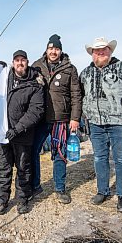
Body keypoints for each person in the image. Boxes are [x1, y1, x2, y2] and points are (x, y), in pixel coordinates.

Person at [80, 37, 122, 213]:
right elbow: (79, 96)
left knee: (121, 160)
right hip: (95, 124)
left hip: (119, 123)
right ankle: (103, 191)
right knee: (99, 159)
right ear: (92, 53)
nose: (100, 52)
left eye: (104, 49)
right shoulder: (85, 73)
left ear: (110, 51)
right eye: (97, 50)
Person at [30, 34, 82, 204]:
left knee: (60, 154)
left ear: (60, 51)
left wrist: (75, 118)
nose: (53, 52)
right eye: (51, 48)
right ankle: (35, 186)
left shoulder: (69, 68)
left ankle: (60, 188)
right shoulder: (36, 66)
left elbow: (76, 95)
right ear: (46, 49)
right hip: (40, 118)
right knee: (33, 152)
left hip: (61, 119)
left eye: (56, 49)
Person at [0, 50, 45, 215]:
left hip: (23, 134)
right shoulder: (5, 78)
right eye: (17, 60)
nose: (20, 63)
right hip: (3, 134)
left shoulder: (35, 84)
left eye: (23, 60)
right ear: (13, 63)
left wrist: (17, 129)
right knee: (4, 168)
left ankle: (22, 199)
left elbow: (35, 111)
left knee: (23, 167)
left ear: (27, 62)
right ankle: (2, 201)